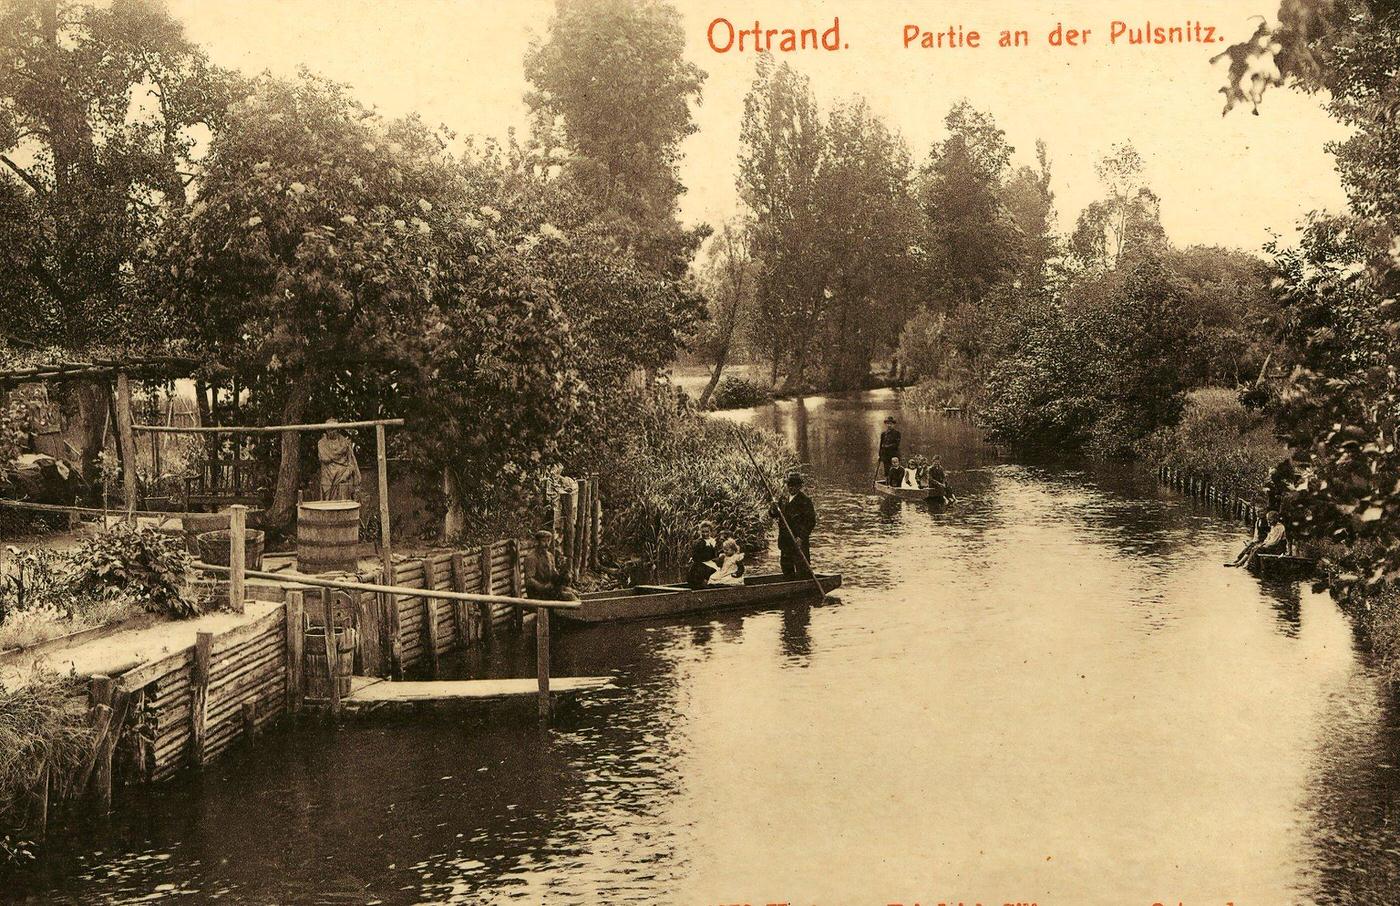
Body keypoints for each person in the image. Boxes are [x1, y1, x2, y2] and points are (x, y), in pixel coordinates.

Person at [770, 472, 816, 579]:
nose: (791, 488)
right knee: (786, 567)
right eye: (789, 485)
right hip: (785, 540)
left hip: (798, 540)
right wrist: (773, 508)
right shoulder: (783, 499)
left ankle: (804, 585)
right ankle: (789, 584)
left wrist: (801, 537)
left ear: (799, 486)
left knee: (802, 568)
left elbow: (811, 522)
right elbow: (774, 514)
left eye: (794, 485)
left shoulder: (805, 501)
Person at [523, 529, 579, 601]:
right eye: (543, 541)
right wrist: (543, 587)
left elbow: (553, 574)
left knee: (574, 592)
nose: (547, 545)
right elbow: (529, 580)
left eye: (548, 541)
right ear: (537, 542)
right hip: (538, 594)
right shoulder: (531, 558)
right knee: (570, 597)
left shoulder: (550, 556)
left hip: (549, 590)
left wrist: (564, 576)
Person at [317, 418, 361, 501]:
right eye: (329, 429)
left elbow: (351, 460)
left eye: (334, 429)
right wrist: (340, 452)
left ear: (337, 429)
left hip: (342, 473)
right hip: (327, 474)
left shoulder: (344, 442)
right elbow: (325, 458)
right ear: (326, 430)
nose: (331, 432)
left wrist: (349, 470)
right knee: (327, 497)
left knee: (344, 489)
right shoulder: (321, 443)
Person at [687, 520, 720, 589]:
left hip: (711, 562)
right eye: (703, 532)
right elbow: (696, 556)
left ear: (711, 531)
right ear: (700, 532)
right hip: (701, 563)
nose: (705, 534)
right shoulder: (699, 542)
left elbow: (716, 554)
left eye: (707, 532)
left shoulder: (713, 541)